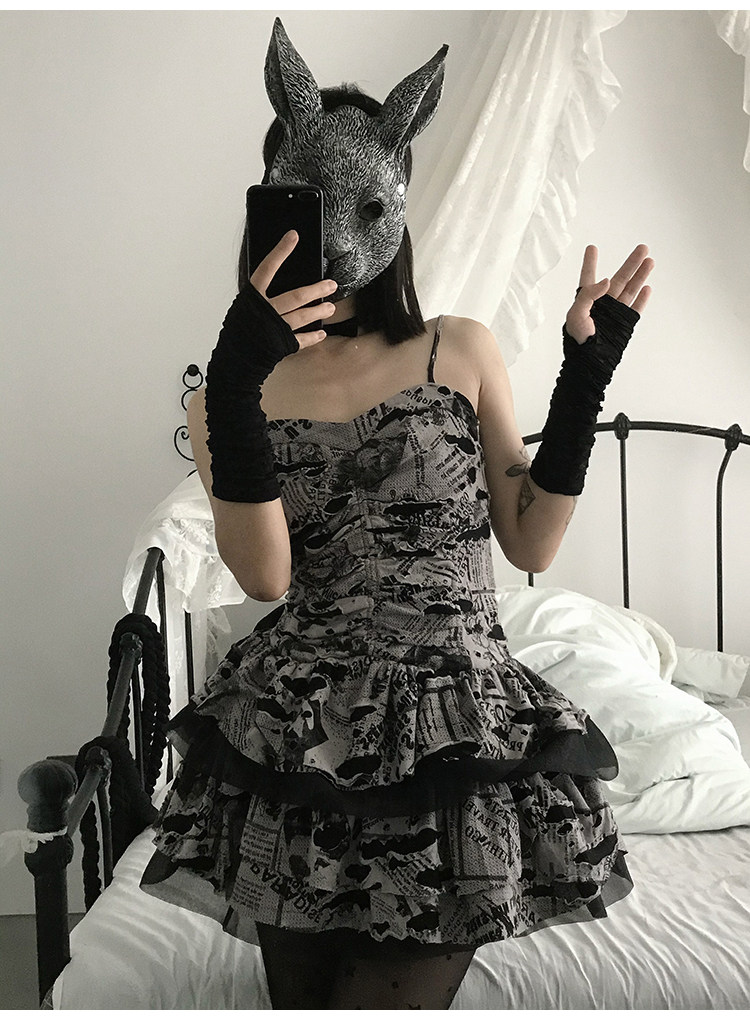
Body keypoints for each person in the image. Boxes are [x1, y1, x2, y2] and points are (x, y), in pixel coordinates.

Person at [139, 17, 653, 1009]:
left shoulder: (459, 347)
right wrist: (236, 379)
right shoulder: (227, 394)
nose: (334, 240)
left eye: (363, 207)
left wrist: (584, 380)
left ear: (397, 208)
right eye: (309, 205)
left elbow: (532, 539)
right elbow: (265, 578)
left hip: (454, 732)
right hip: (300, 739)